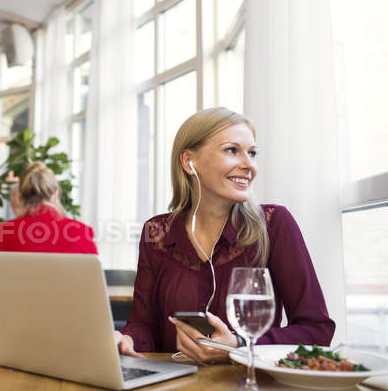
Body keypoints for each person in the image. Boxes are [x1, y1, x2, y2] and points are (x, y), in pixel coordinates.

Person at [115, 107, 335, 363]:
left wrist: (240, 346)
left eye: (252, 153)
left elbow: (317, 329)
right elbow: (145, 325)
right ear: (189, 162)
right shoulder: (157, 232)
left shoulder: (275, 224)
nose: (248, 165)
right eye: (232, 150)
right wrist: (127, 338)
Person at [0, 161, 97, 254]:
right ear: (55, 194)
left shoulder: (2, 233)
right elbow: (93, 277)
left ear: (20, 195)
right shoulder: (81, 232)